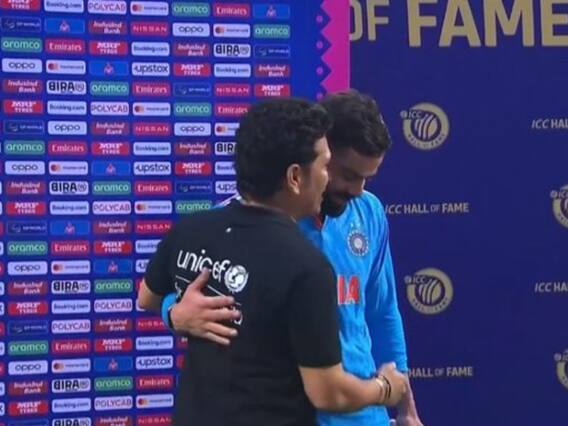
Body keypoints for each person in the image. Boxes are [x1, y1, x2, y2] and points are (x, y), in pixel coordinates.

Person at [155, 91, 424, 426]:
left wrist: (406, 409)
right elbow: (170, 296)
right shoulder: (239, 223)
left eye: (367, 177)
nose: (357, 189)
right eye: (347, 175)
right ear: (318, 158)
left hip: (364, 412)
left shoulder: (369, 211)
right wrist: (175, 314)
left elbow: (382, 312)